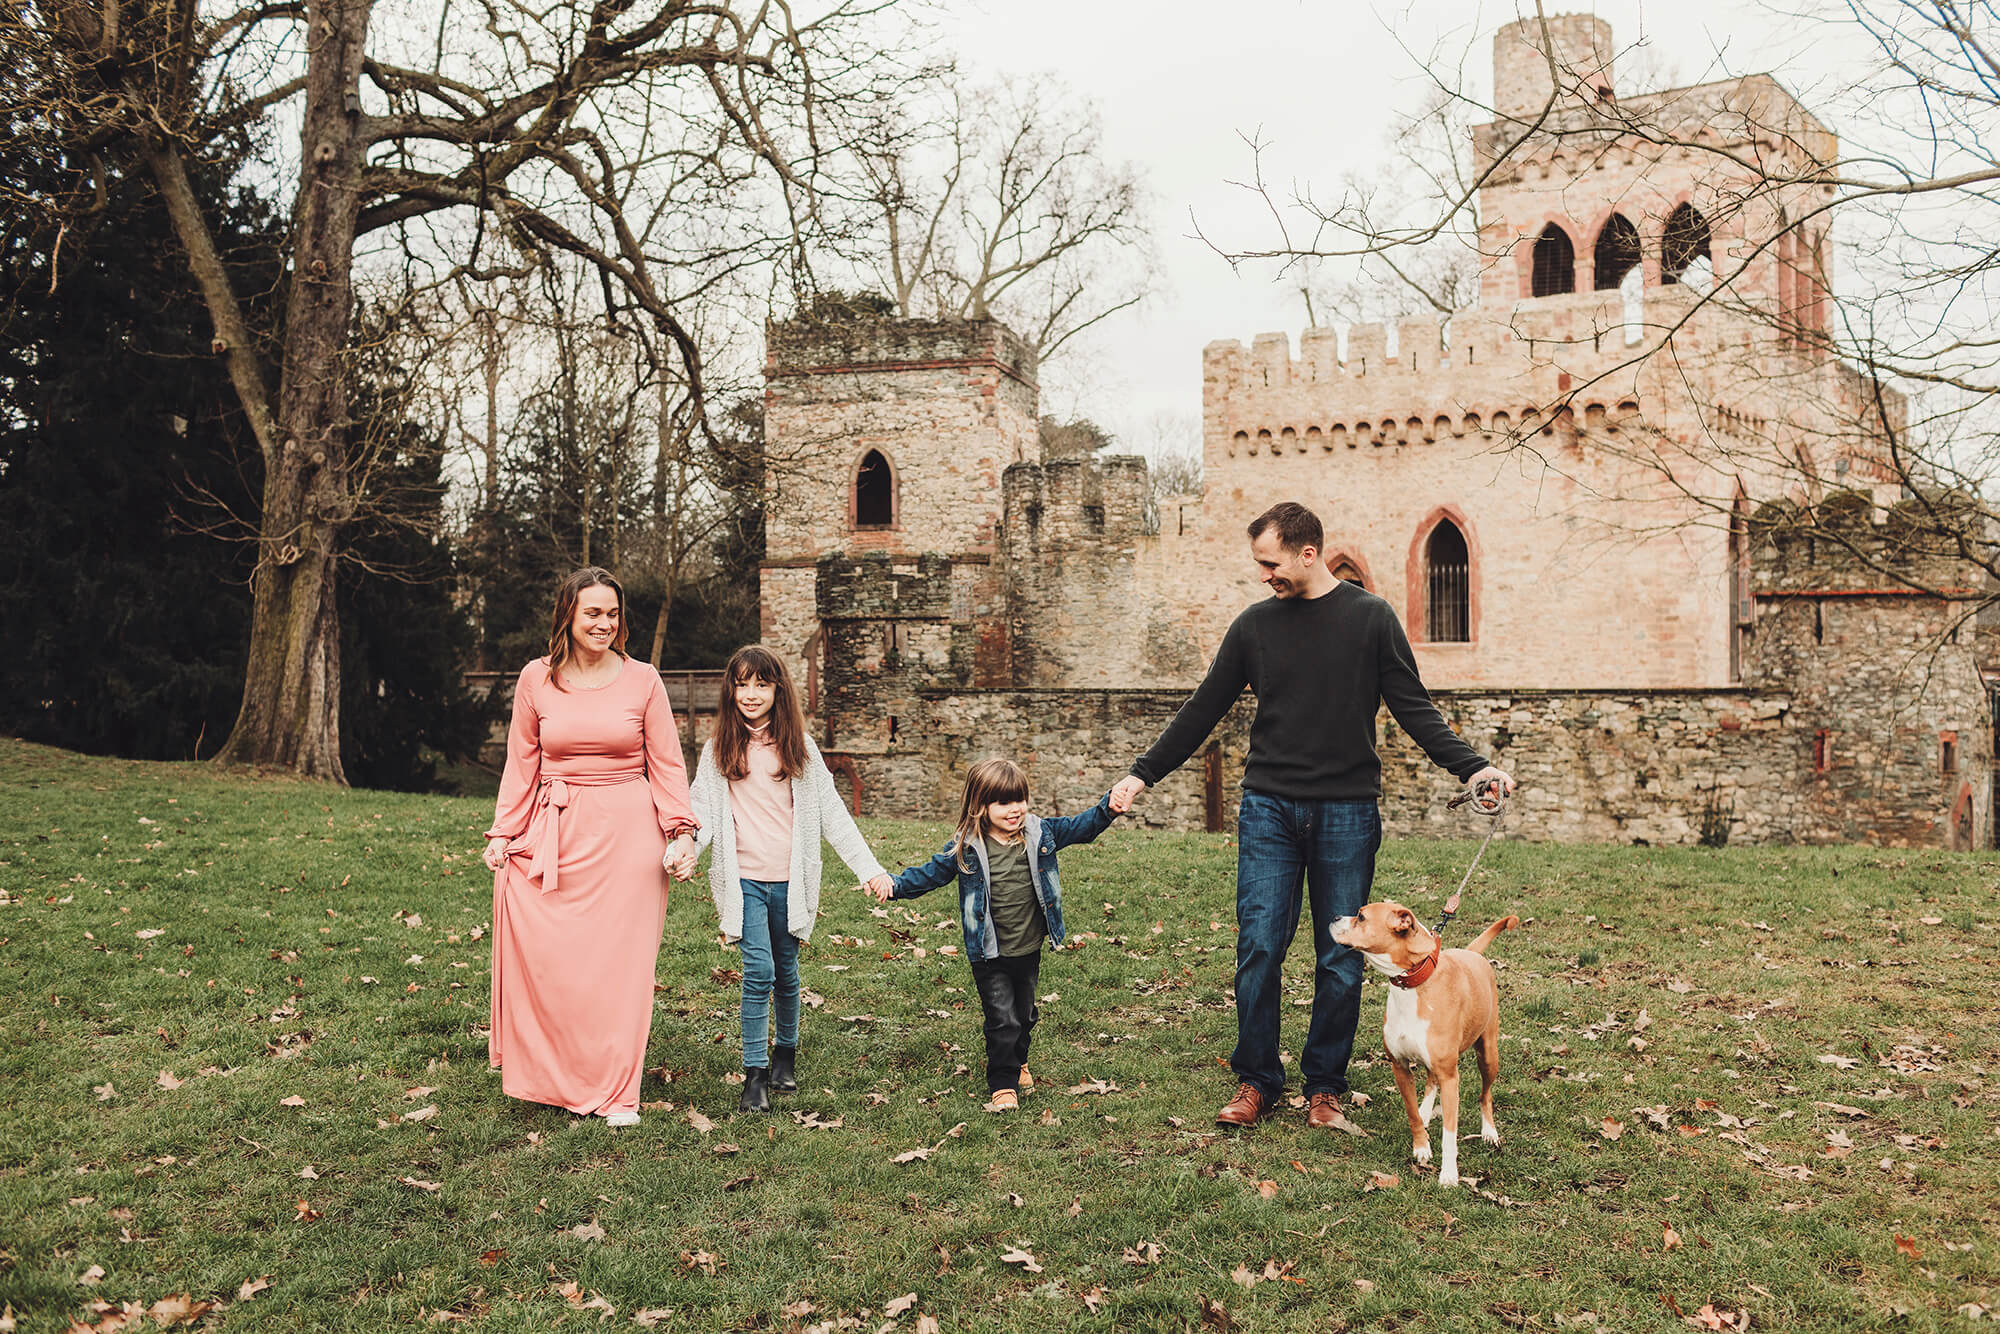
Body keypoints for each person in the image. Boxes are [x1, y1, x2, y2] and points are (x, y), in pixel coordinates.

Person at [1108, 501, 1513, 1130]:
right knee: (1260, 945)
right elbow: (1203, 708)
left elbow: (1415, 709)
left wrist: (1473, 767)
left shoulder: (1372, 620)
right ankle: (1258, 1080)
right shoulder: (1253, 627)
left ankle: (1325, 1086)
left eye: (1270, 562)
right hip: (1269, 808)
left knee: (1341, 956)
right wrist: (1143, 771)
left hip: (1347, 813)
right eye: (1258, 564)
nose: (1263, 574)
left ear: (1307, 553)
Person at [482, 567, 698, 1128]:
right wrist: (504, 832)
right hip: (556, 830)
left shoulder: (643, 680)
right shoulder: (536, 679)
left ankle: (618, 1090)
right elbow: (521, 764)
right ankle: (560, 1075)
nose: (605, 623)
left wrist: (682, 832)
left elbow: (668, 765)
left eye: (613, 613)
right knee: (560, 961)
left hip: (628, 836)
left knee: (620, 970)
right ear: (568, 618)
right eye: (593, 613)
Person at [675, 645, 894, 1112]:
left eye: (762, 684)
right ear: (730, 689)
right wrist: (685, 846)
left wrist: (870, 869)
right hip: (744, 881)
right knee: (758, 972)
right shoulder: (719, 750)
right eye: (742, 684)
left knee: (787, 974)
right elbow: (701, 811)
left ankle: (785, 1054)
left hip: (791, 884)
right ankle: (754, 1074)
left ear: (778, 689)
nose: (751, 694)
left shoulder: (800, 748)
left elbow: (833, 815)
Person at [872, 759, 1119, 1112]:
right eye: (1003, 802)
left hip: (1028, 946)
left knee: (1024, 1014)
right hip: (989, 952)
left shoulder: (1040, 834)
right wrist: (894, 886)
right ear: (980, 807)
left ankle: (1019, 1060)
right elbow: (930, 874)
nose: (1015, 809)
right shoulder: (967, 847)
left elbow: (1082, 827)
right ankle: (1003, 1083)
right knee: (1002, 1018)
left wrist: (1108, 806)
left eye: (1019, 799)